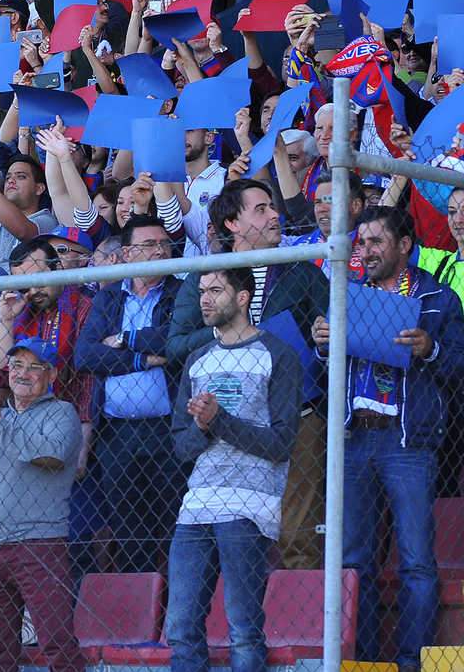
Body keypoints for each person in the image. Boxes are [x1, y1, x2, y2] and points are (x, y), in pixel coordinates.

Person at [312, 205, 464, 670]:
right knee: (354, 560)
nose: (366, 250)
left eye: (376, 241)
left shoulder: (438, 297)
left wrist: (430, 348)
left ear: (404, 246)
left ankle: (410, 662)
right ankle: (362, 660)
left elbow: (459, 366)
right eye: (361, 243)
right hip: (354, 440)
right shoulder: (347, 293)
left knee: (416, 561)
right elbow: (328, 376)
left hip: (408, 443)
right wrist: (323, 346)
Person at [162, 268, 301, 672]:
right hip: (195, 508)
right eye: (202, 291)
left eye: (216, 291)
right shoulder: (197, 359)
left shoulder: (278, 354)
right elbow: (182, 447)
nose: (205, 299)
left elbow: (280, 444)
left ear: (243, 298)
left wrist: (218, 420)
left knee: (243, 627)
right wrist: (204, 426)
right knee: (180, 624)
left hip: (249, 507)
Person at [0, 338, 82, 672]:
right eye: (17, 365)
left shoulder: (62, 412)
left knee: (57, 644)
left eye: (34, 367)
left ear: (51, 375)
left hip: (40, 545)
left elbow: (51, 456)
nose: (23, 373)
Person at [74, 218, 180, 573]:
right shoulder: (108, 297)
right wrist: (143, 359)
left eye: (164, 244)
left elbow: (176, 340)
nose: (160, 251)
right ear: (129, 253)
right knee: (128, 527)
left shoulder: (180, 291)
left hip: (167, 431)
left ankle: (171, 610)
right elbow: (85, 355)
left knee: (173, 523)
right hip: (116, 434)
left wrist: (125, 340)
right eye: (150, 245)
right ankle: (141, 612)